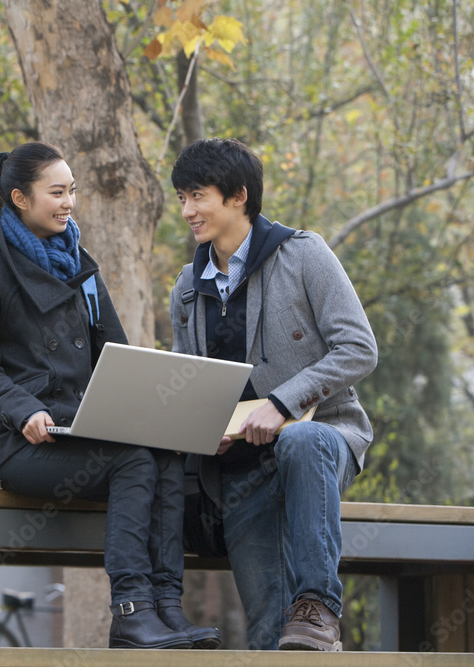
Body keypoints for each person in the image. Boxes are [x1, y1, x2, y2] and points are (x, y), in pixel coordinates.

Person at [0, 141, 220, 650]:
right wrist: (24, 410)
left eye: (72, 191)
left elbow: (117, 356)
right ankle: (129, 610)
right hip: (22, 441)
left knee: (164, 451)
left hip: (81, 424)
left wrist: (161, 407)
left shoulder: (81, 268)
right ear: (19, 198)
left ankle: (166, 608)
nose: (69, 202)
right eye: (56, 192)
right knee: (133, 461)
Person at [168, 137, 378, 651]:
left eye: (198, 196)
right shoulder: (186, 289)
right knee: (271, 638)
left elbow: (359, 349)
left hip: (323, 439)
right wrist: (199, 431)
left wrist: (283, 403)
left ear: (238, 195)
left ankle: (319, 607)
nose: (188, 211)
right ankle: (305, 632)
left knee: (300, 444)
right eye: (181, 199)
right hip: (238, 473)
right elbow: (188, 386)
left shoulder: (305, 255)